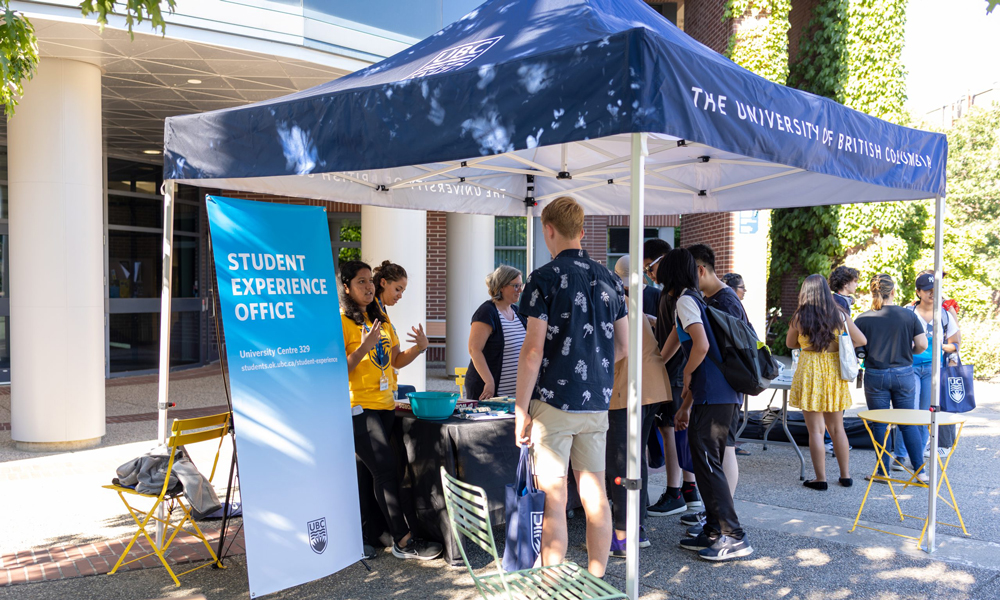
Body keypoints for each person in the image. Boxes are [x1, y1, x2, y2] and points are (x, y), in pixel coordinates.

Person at [514, 196, 628, 578]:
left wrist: (520, 409)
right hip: (595, 403)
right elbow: (624, 345)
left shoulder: (543, 278)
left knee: (555, 501)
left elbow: (532, 352)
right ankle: (596, 580)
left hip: (553, 404)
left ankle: (553, 583)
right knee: (597, 499)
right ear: (581, 231)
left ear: (548, 230)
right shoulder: (611, 279)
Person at [339, 260, 440, 560]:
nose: (369, 286)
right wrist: (364, 346)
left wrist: (419, 348)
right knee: (384, 470)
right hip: (358, 406)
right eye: (361, 281)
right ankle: (403, 540)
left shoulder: (380, 317)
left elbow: (394, 359)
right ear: (346, 287)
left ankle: (372, 534)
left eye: (370, 280)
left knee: (376, 473)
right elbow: (339, 368)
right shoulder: (341, 321)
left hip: (385, 406)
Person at [658, 248, 753, 561]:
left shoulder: (686, 301)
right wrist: (685, 403)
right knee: (704, 464)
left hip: (715, 395)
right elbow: (677, 339)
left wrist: (685, 374)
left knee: (709, 466)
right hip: (714, 394)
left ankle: (734, 535)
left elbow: (701, 345)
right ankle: (714, 530)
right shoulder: (694, 299)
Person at [606, 256, 669, 556]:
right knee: (635, 456)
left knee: (621, 460)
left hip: (628, 390)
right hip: (649, 386)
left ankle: (626, 531)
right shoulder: (633, 304)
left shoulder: (616, 303)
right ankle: (638, 522)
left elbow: (617, 351)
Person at [686, 244, 750, 520]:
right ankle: (718, 514)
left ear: (700, 270)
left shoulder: (724, 301)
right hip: (725, 388)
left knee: (723, 452)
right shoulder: (719, 298)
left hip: (723, 388)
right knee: (723, 450)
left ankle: (723, 516)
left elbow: (726, 349)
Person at [786, 275, 867, 490]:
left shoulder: (800, 316)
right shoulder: (839, 315)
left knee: (816, 431)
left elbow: (789, 343)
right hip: (833, 373)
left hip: (810, 371)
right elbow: (862, 340)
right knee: (837, 428)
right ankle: (845, 476)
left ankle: (820, 479)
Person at [854, 274, 928, 480]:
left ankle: (882, 472)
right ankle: (920, 472)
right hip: (904, 373)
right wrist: (907, 352)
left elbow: (855, 346)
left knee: (880, 423)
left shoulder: (863, 318)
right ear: (893, 292)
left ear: (872, 293)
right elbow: (922, 345)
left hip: (875, 375)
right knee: (907, 422)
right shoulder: (908, 315)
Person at [648, 241, 702, 518]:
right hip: (681, 373)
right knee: (680, 432)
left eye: (651, 268)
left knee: (674, 430)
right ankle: (689, 491)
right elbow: (674, 332)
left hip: (680, 374)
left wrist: (664, 365)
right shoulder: (689, 296)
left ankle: (676, 492)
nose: (650, 275)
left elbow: (696, 341)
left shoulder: (679, 298)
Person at [902, 272, 960, 462]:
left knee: (927, 413)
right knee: (909, 411)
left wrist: (940, 345)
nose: (932, 294)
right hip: (910, 367)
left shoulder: (944, 314)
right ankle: (900, 455)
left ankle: (917, 456)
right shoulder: (907, 312)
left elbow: (955, 344)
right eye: (927, 290)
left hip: (934, 371)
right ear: (918, 292)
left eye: (935, 290)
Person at [465, 265, 527, 399]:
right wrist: (489, 381)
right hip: (489, 392)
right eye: (516, 286)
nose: (520, 290)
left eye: (521, 285)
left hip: (514, 395)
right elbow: (474, 349)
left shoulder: (518, 312)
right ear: (502, 286)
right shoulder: (487, 312)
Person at [825, 265, 860, 455]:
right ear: (846, 283)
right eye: (855, 281)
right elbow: (847, 335)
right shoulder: (840, 303)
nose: (856, 285)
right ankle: (831, 440)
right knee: (836, 402)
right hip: (835, 357)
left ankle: (829, 438)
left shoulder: (835, 300)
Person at [372, 260, 409, 395]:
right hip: (374, 393)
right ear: (383, 283)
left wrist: (419, 348)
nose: (400, 295)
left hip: (387, 388)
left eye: (402, 291)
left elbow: (395, 359)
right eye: (398, 289)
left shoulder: (383, 313)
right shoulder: (371, 312)